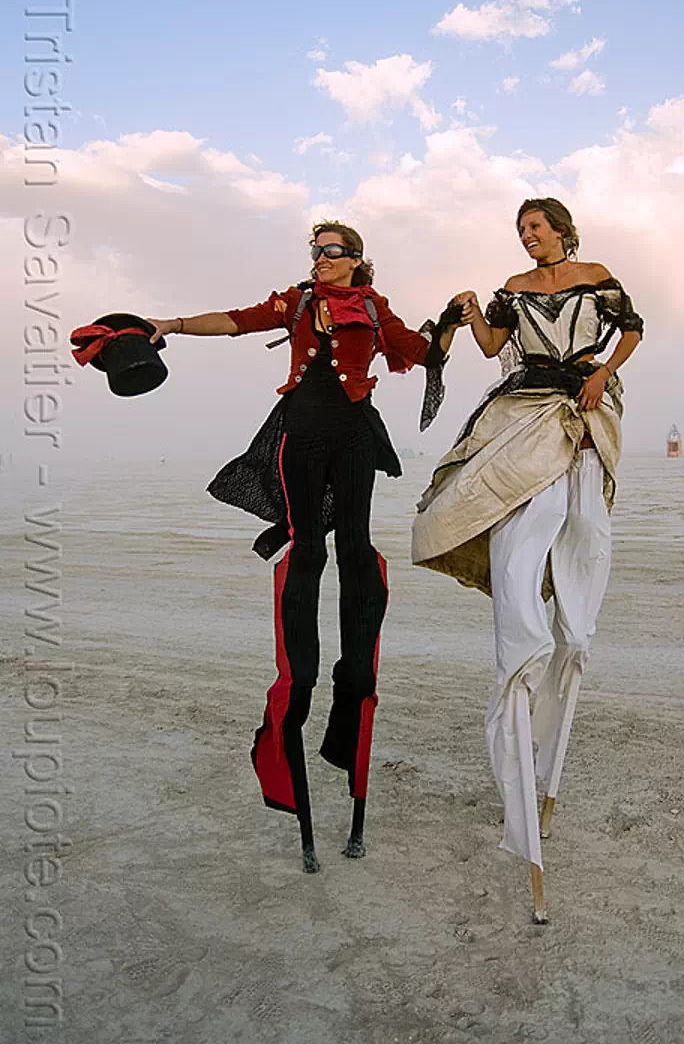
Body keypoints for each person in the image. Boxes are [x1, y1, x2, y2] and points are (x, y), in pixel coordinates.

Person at [146, 222, 460, 873]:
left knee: (355, 555)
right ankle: (300, 678)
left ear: (354, 259)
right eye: (314, 250)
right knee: (306, 553)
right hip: (300, 434)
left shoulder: (375, 308)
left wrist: (450, 328)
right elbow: (233, 320)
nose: (320, 258)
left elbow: (416, 353)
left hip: (352, 436)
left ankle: (354, 680)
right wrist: (169, 323)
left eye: (331, 250)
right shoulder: (292, 302)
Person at [412, 197, 643, 922]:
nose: (527, 236)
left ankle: (546, 754)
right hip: (523, 404)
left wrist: (603, 372)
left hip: (583, 399)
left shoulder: (595, 273)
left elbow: (631, 328)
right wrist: (471, 310)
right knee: (519, 524)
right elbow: (489, 347)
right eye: (520, 231)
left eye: (535, 227)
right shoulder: (514, 286)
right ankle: (520, 662)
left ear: (562, 229)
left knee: (586, 547)